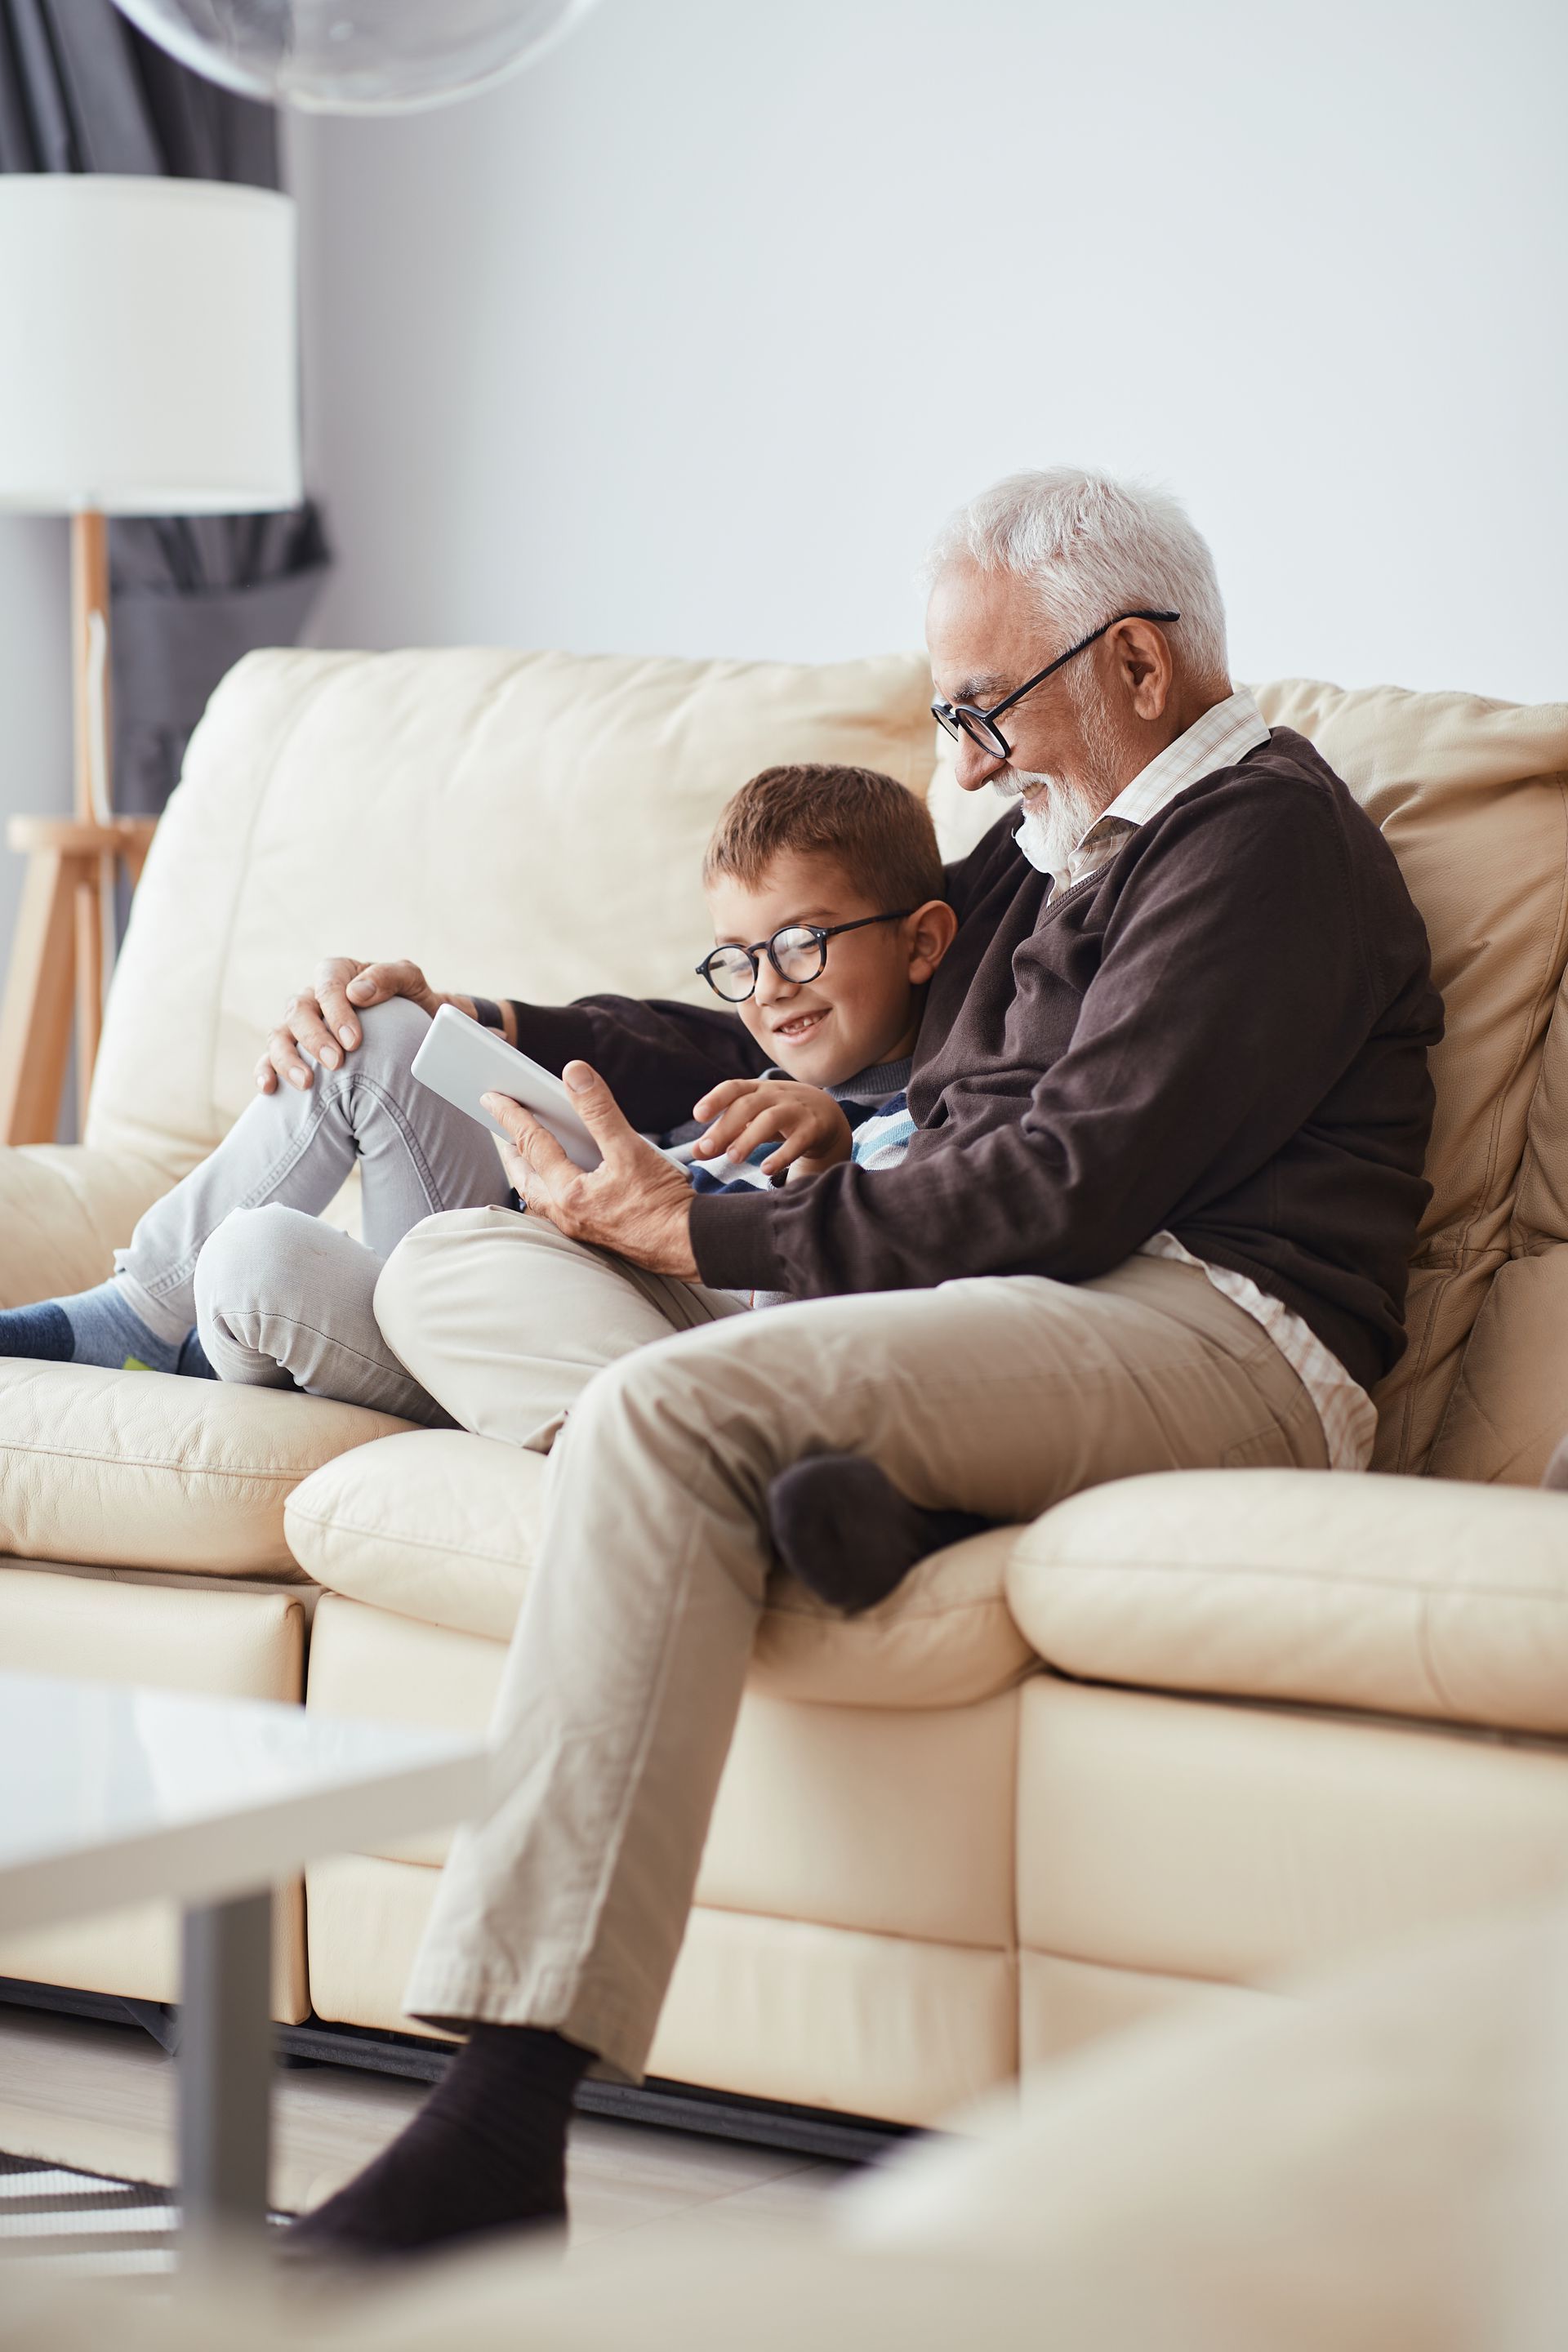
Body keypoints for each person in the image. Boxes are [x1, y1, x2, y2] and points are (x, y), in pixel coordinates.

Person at [275, 466, 1442, 2262]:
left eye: (985, 709)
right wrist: (491, 1027)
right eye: (952, 714)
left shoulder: (1261, 846)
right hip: (975, 1312)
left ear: (1135, 665)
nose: (963, 762)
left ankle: (507, 2117)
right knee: (457, 1259)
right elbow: (808, 1008)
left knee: (672, 1403)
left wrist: (708, 1241)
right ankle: (839, 1492)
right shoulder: (1058, 850)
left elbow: (1071, 1189)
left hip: (1209, 1325)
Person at [0, 765, 952, 1561]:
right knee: (373, 1046)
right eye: (739, 960)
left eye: (803, 944)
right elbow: (656, 1038)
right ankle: (136, 1318)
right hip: (513, 1260)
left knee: (258, 1267)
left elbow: (831, 1350)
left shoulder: (947, 1121)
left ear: (924, 942)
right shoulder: (751, 1057)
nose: (771, 987)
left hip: (553, 1331)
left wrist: (819, 1173)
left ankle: (195, 1349)